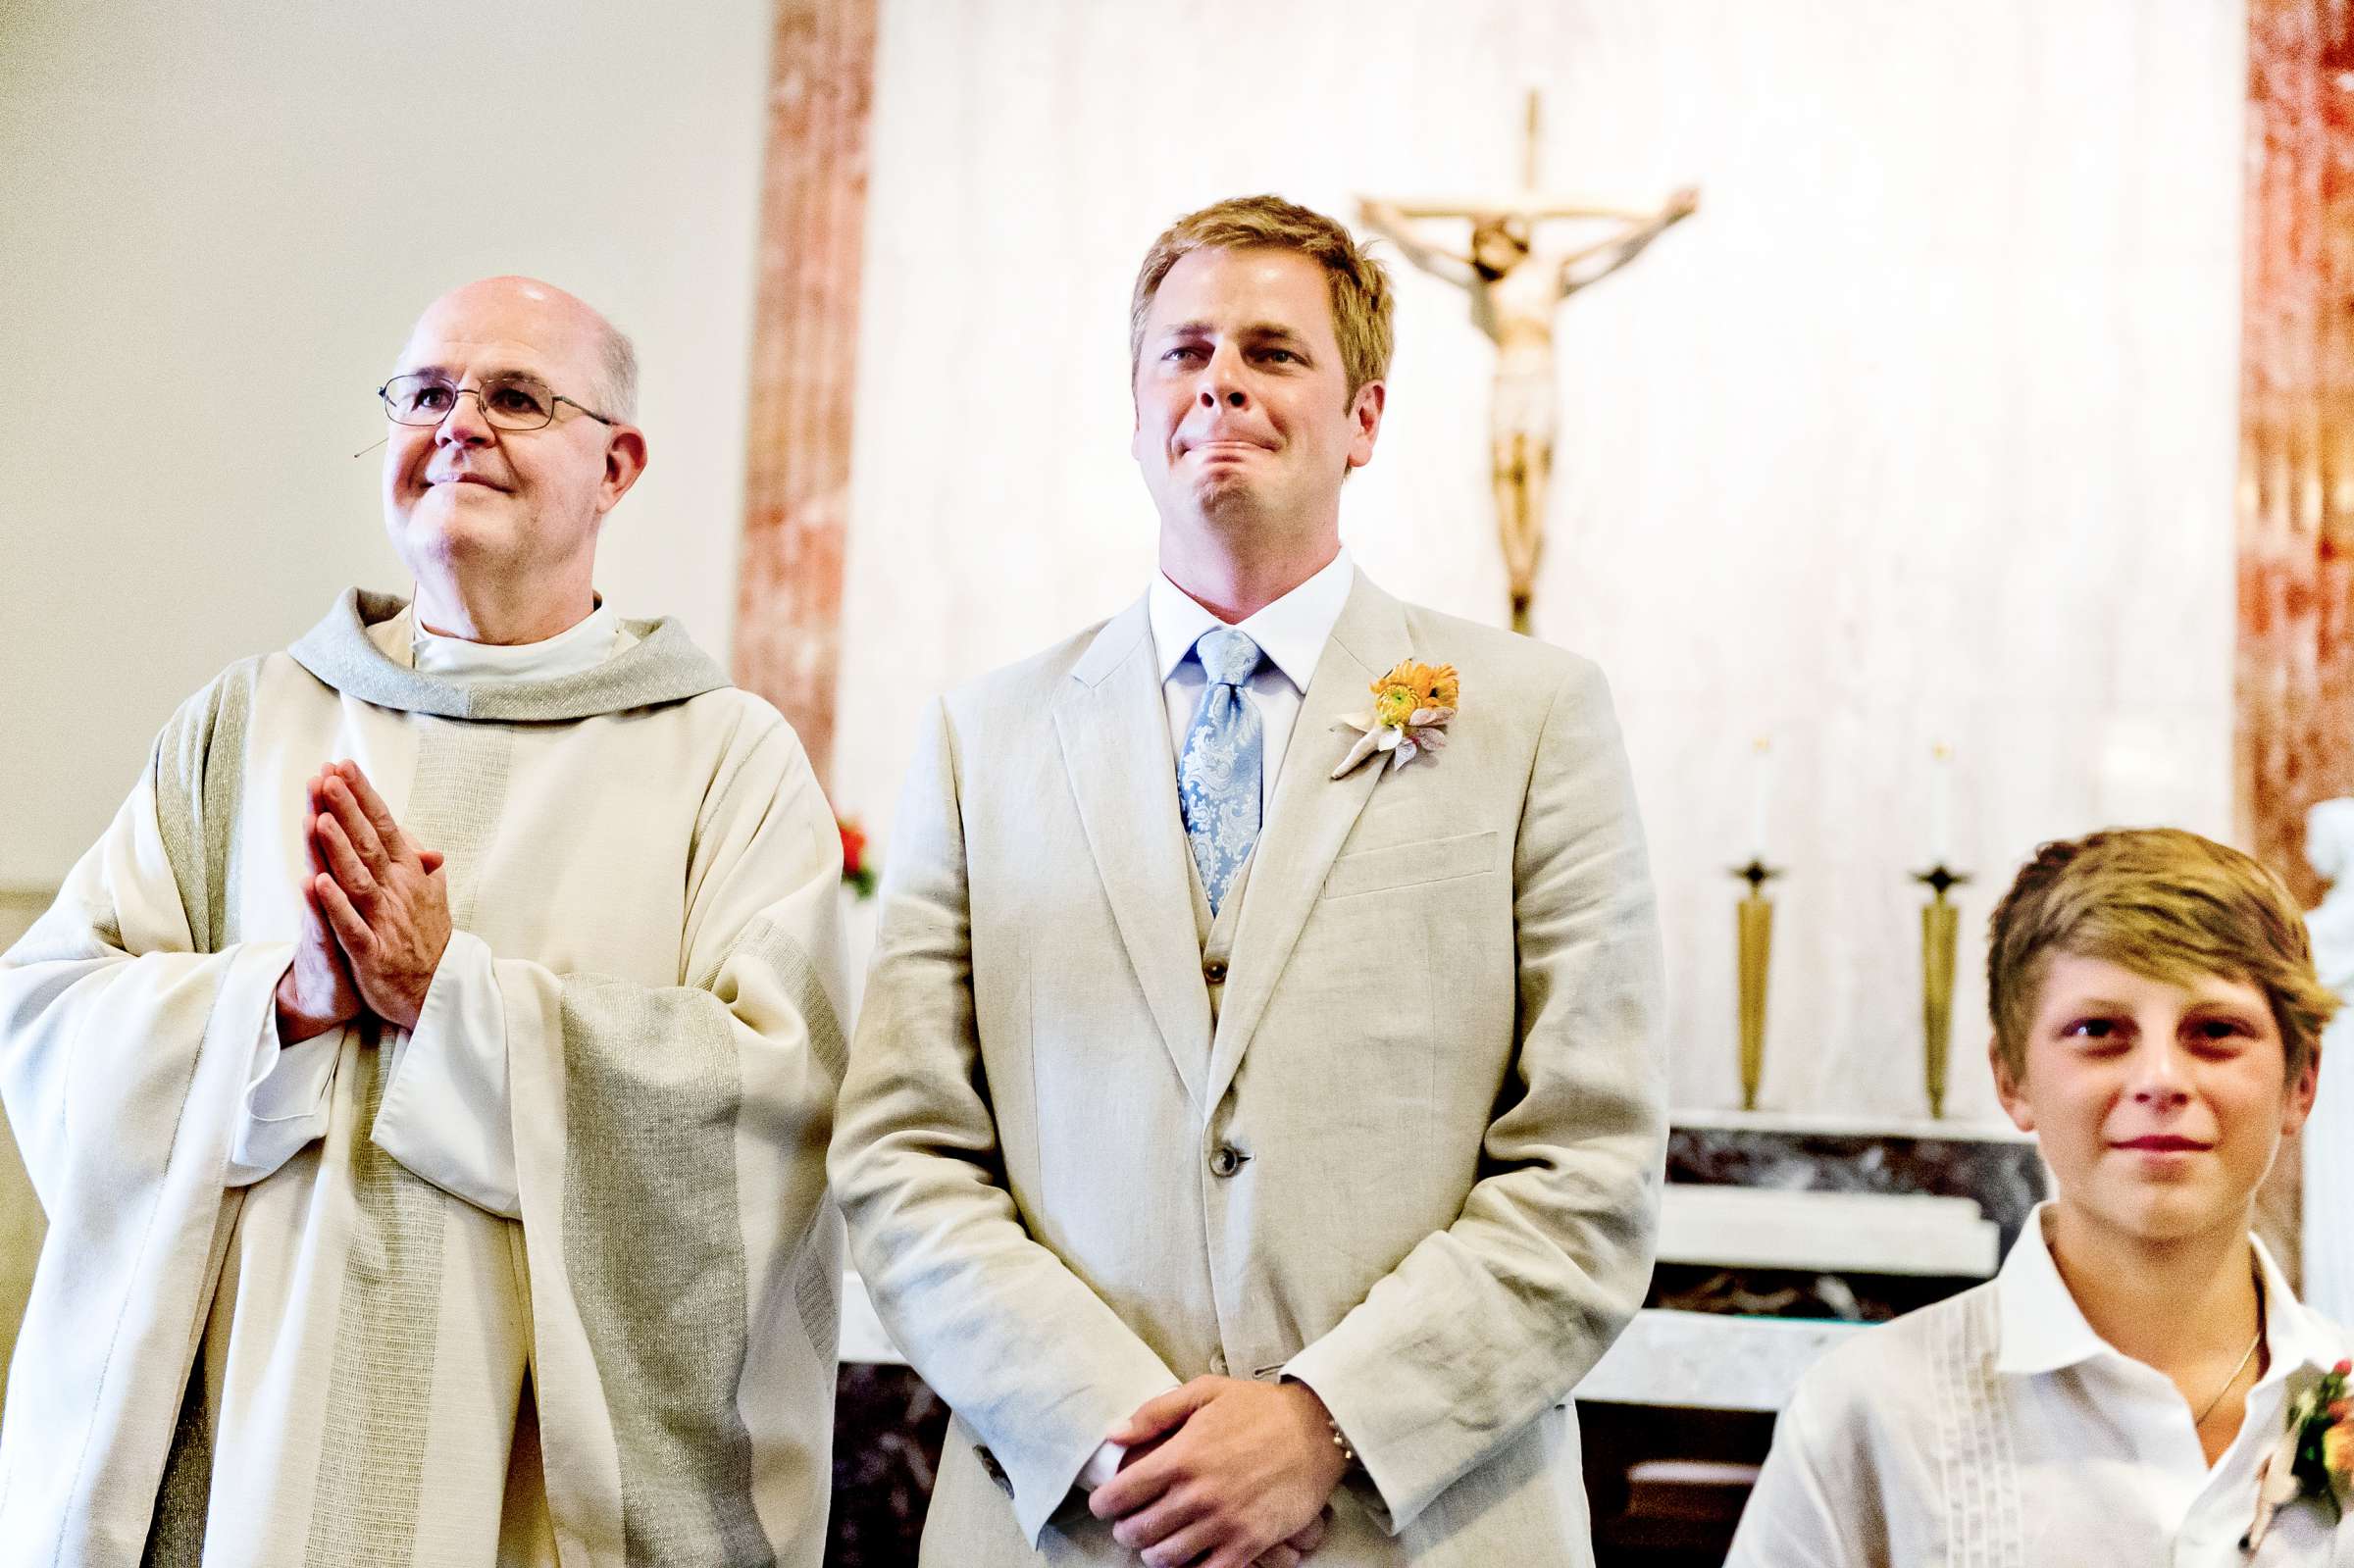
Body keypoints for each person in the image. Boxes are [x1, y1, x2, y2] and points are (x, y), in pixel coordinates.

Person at [829, 195, 1667, 1567]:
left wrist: (1322, 1421)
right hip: (1077, 1520)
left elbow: (1591, 1161)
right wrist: (1114, 1429)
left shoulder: (1532, 717)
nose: (1222, 376)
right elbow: (904, 1150)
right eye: (1185, 349)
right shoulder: (984, 737)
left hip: (1418, 1521)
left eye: (1275, 351)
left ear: (1366, 418)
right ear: (1139, 402)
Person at [0, 278, 848, 1566]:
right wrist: (278, 1004)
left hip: (525, 1499)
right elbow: (50, 1008)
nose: (460, 426)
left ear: (616, 465)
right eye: (428, 395)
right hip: (248, 1474)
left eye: (515, 398)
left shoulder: (723, 759)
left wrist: (455, 1002)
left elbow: (778, 1094)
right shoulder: (248, 723)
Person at [1727, 828, 2352, 1565]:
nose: (2160, 1078)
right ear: (2012, 1078)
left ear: (2301, 1080)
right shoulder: (1869, 1413)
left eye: (2215, 1030)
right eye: (2099, 1029)